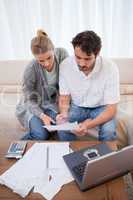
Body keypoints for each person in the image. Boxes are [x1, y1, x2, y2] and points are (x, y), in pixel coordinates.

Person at [56, 30, 120, 141]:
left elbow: (111, 109)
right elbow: (65, 98)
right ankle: (72, 155)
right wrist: (64, 114)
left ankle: (105, 157)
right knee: (62, 127)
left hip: (102, 107)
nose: (81, 63)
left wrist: (87, 125)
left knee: (109, 131)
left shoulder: (110, 68)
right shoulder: (65, 65)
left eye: (87, 59)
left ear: (97, 53)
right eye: (78, 57)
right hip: (77, 106)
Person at [16, 29, 69, 140]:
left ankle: (41, 127)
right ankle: (20, 145)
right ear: (35, 58)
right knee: (41, 135)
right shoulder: (31, 69)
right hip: (34, 104)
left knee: (62, 128)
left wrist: (62, 109)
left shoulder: (62, 55)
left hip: (51, 103)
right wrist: (42, 116)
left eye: (49, 57)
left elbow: (67, 83)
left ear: (54, 50)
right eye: (41, 61)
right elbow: (29, 99)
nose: (46, 63)